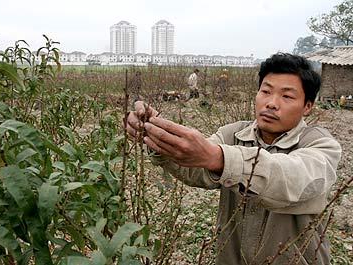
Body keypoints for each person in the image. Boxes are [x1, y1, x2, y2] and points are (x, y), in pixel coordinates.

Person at [125, 53, 342, 264]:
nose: (272, 103)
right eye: (265, 91)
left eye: (287, 96)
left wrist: (220, 158)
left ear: (308, 106)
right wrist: (160, 138)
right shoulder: (234, 134)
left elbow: (294, 177)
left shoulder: (320, 144)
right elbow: (196, 168)